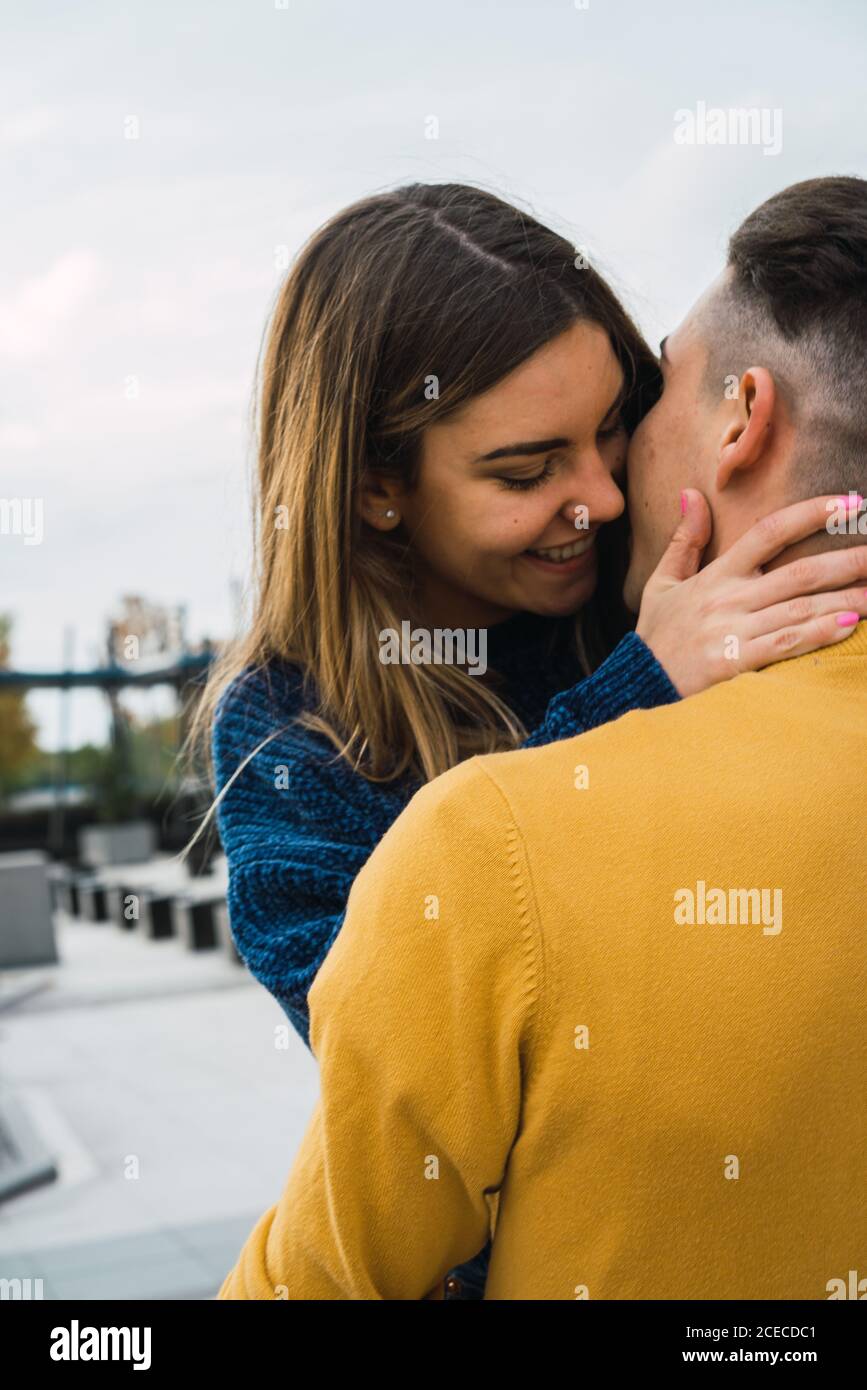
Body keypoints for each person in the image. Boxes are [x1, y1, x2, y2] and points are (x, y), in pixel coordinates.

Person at [216, 175, 867, 1300]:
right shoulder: (288, 729)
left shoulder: (645, 581)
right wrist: (638, 689)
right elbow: (393, 1016)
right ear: (378, 488)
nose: (603, 500)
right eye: (527, 471)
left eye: (615, 424)